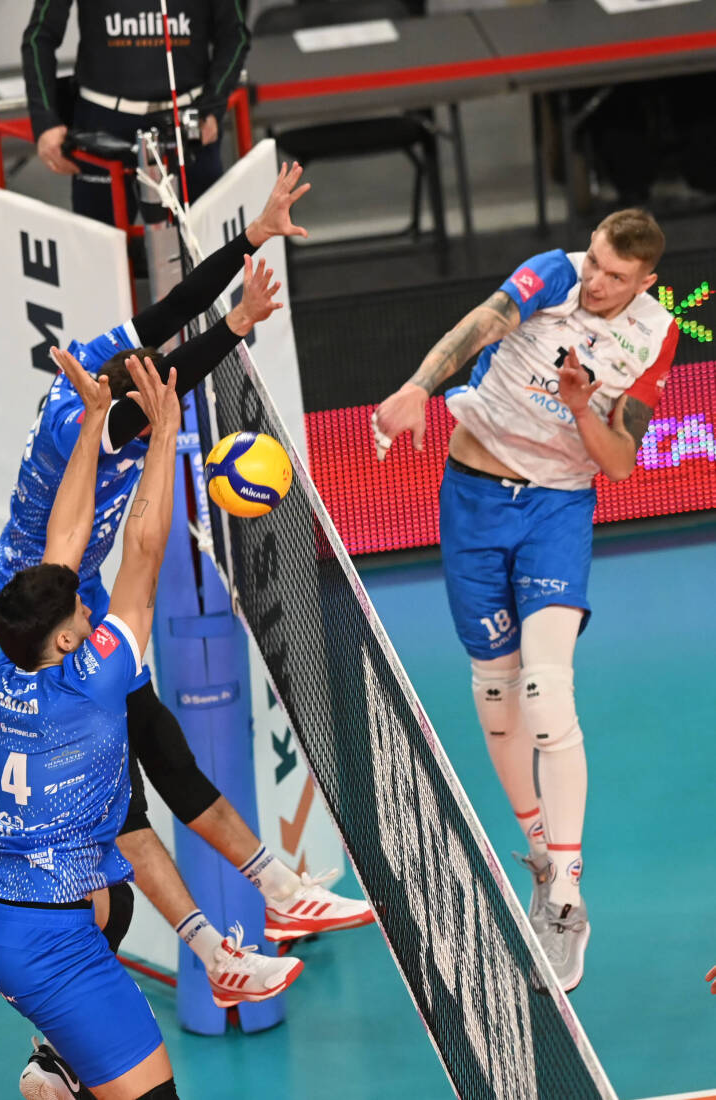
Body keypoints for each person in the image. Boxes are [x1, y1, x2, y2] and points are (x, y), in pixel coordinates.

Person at [0, 165, 372, 1094]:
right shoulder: (96, 430)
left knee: (152, 768)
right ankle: (223, 942)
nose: (148, 369)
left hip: (68, 601)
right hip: (52, 616)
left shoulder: (92, 380)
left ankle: (264, 900)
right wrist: (233, 333)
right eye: (138, 386)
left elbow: (164, 319)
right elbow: (162, 409)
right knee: (125, 814)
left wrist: (252, 240)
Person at [0, 349, 304, 1100]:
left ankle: (57, 1064)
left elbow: (64, 541)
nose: (90, 605)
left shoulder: (13, 670)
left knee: (114, 892)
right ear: (66, 639)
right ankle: (62, 1054)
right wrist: (167, 437)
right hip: (46, 938)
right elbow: (143, 553)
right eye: (80, 610)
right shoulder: (96, 679)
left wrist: (93, 426)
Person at [372, 208, 677, 992]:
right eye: (595, 261)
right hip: (474, 497)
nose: (596, 281)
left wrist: (580, 407)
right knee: (497, 696)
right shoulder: (552, 274)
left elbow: (619, 464)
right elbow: (482, 323)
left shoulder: (654, 334)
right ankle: (540, 854)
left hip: (557, 510)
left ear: (645, 281)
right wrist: (416, 387)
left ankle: (567, 897)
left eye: (615, 275)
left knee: (546, 690)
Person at [21, 0, 251, 223]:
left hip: (188, 118)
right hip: (102, 122)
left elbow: (235, 36)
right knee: (100, 241)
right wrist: (45, 120)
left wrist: (212, 107)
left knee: (205, 240)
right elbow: (39, 36)